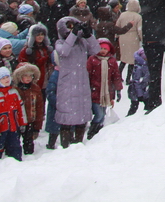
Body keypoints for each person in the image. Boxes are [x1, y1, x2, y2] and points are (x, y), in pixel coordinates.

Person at [53, 16, 100, 146]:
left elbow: (96, 50)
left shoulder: (82, 42)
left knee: (82, 113)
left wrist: (88, 34)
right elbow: (64, 52)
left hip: (82, 82)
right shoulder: (59, 42)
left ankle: (78, 142)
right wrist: (73, 35)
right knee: (66, 115)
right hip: (67, 82)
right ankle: (65, 144)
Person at [0, 67, 26, 163]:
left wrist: (22, 122)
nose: (6, 80)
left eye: (7, 77)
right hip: (1, 127)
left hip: (14, 125)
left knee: (15, 144)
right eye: (3, 78)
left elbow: (21, 109)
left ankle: (16, 162)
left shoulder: (14, 92)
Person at [86, 38, 122, 139]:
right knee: (99, 115)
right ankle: (92, 131)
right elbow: (87, 74)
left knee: (103, 114)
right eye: (101, 48)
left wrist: (118, 90)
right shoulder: (92, 59)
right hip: (95, 91)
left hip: (107, 92)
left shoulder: (112, 61)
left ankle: (97, 133)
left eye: (105, 49)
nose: (103, 51)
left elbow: (116, 76)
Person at [12, 63, 44, 155]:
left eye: (31, 75)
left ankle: (29, 156)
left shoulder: (35, 89)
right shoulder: (15, 90)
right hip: (17, 121)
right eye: (25, 75)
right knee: (14, 142)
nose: (28, 78)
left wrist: (37, 127)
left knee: (29, 141)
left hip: (30, 121)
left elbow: (39, 108)